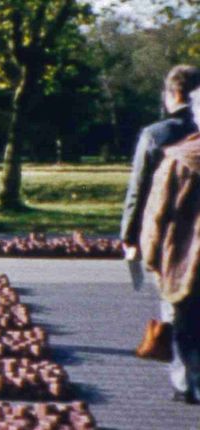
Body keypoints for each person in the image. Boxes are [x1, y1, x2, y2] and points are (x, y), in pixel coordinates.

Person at [123, 65, 200, 399]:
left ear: (174, 94)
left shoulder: (158, 134)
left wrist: (130, 236)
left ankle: (185, 383)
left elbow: (140, 192)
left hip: (176, 236)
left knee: (177, 307)